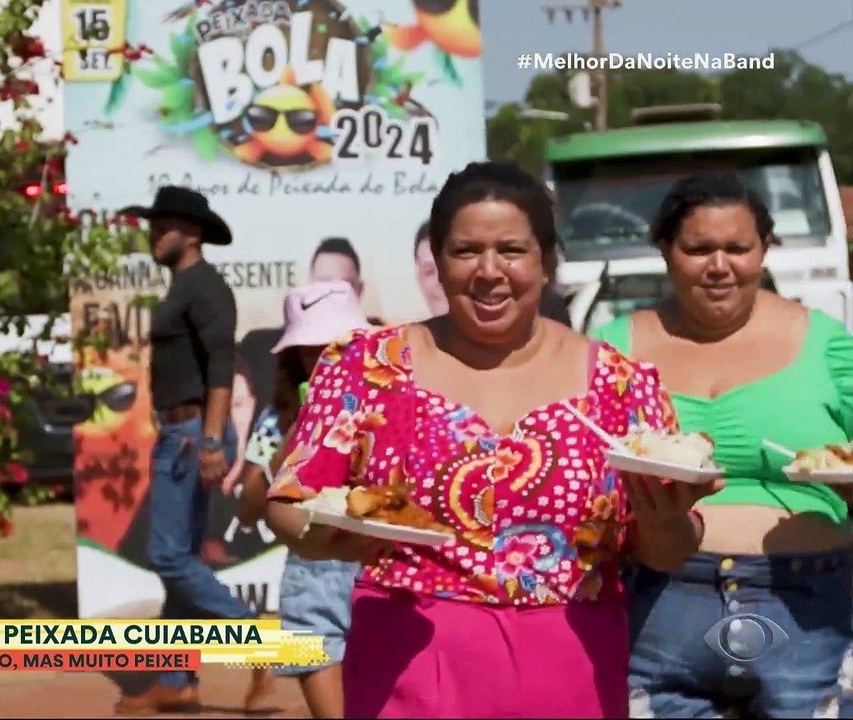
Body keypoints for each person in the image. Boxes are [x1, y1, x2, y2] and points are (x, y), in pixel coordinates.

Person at [264, 160, 722, 717]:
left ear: (546, 261)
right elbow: (290, 498)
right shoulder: (366, 368)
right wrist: (322, 539)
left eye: (511, 250)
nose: (488, 271)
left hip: (571, 667)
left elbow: (667, 551)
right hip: (408, 662)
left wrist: (666, 518)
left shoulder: (620, 384)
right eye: (464, 251)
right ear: (436, 260)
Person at [591, 171, 853, 718]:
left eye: (738, 247)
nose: (719, 266)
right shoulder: (612, 350)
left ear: (763, 251)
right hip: (657, 607)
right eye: (699, 248)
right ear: (666, 250)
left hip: (810, 607)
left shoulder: (827, 343)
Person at [115, 186, 270, 714]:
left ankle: (255, 640)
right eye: (152, 226)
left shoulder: (205, 286)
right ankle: (177, 682)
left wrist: (210, 439)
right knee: (179, 557)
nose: (155, 234)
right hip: (183, 433)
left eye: (165, 226)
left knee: (166, 555)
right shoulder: (184, 286)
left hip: (192, 435)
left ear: (194, 233)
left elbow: (221, 365)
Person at [236, 280, 369, 718]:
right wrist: (285, 454)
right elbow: (248, 509)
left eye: (335, 344)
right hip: (311, 571)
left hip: (382, 565)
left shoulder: (395, 402)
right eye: (311, 349)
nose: (324, 358)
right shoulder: (278, 420)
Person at [416, 220, 572, 325]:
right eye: (429, 271)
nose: (439, 279)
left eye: (511, 251)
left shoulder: (546, 308)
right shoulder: (409, 347)